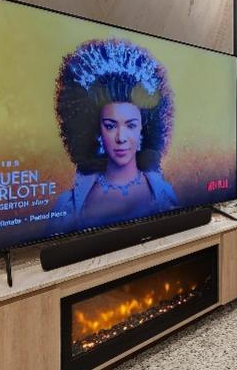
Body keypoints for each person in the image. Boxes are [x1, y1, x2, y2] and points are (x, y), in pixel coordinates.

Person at [49, 38, 178, 234]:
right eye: (110, 126)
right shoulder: (69, 206)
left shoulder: (165, 196)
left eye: (131, 125)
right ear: (97, 132)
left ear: (143, 130)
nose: (121, 137)